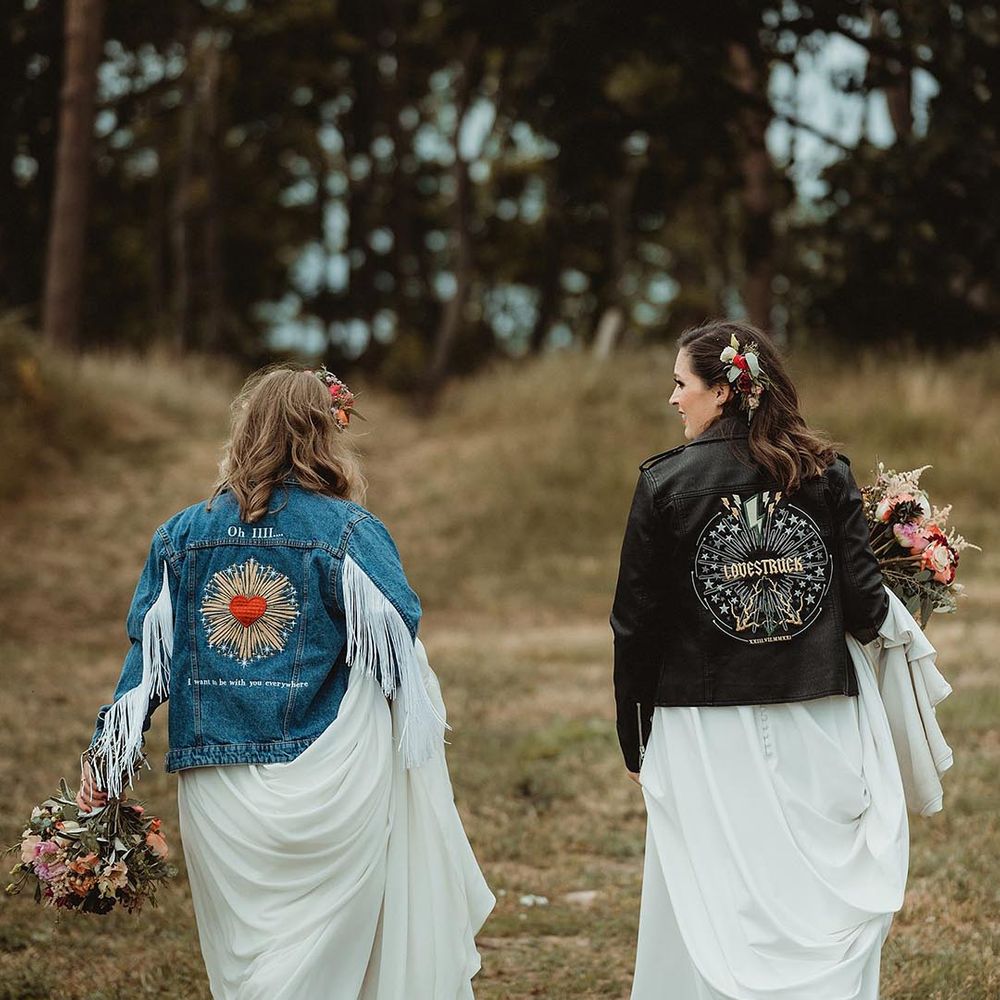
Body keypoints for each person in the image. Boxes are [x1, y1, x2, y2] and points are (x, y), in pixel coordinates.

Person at [78, 364, 494, 1000]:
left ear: (247, 430)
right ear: (324, 438)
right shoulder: (351, 532)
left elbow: (149, 660)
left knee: (246, 955)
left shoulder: (183, 534)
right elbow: (399, 644)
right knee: (326, 955)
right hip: (328, 780)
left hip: (216, 784)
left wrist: (106, 763)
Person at [611, 320, 914, 1000]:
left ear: (721, 392)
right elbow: (867, 611)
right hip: (818, 712)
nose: (672, 398)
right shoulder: (826, 473)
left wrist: (635, 738)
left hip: (701, 725)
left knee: (719, 894)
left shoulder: (665, 485)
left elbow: (635, 625)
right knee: (809, 889)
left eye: (681, 384)